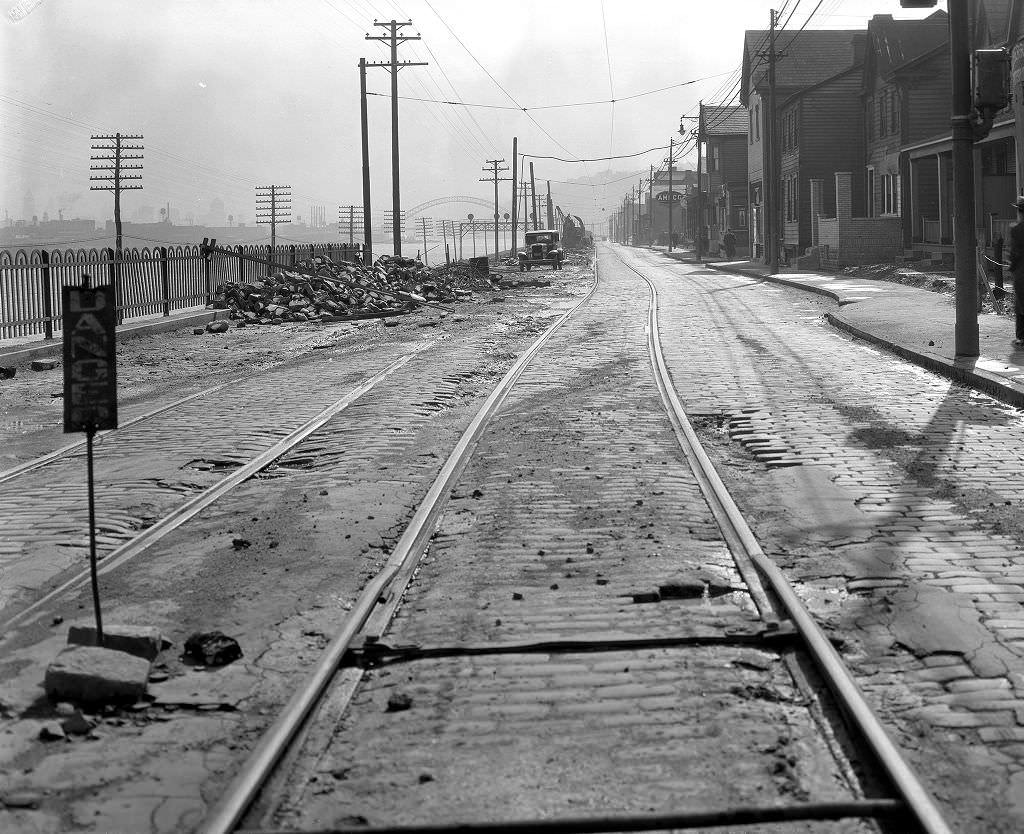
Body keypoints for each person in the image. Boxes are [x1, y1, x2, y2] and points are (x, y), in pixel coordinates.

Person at [1009, 197, 1024, 346]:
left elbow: (1014, 253)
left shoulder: (1016, 230)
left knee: (1020, 305)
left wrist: (1011, 268)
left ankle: (1021, 336)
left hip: (1021, 272)